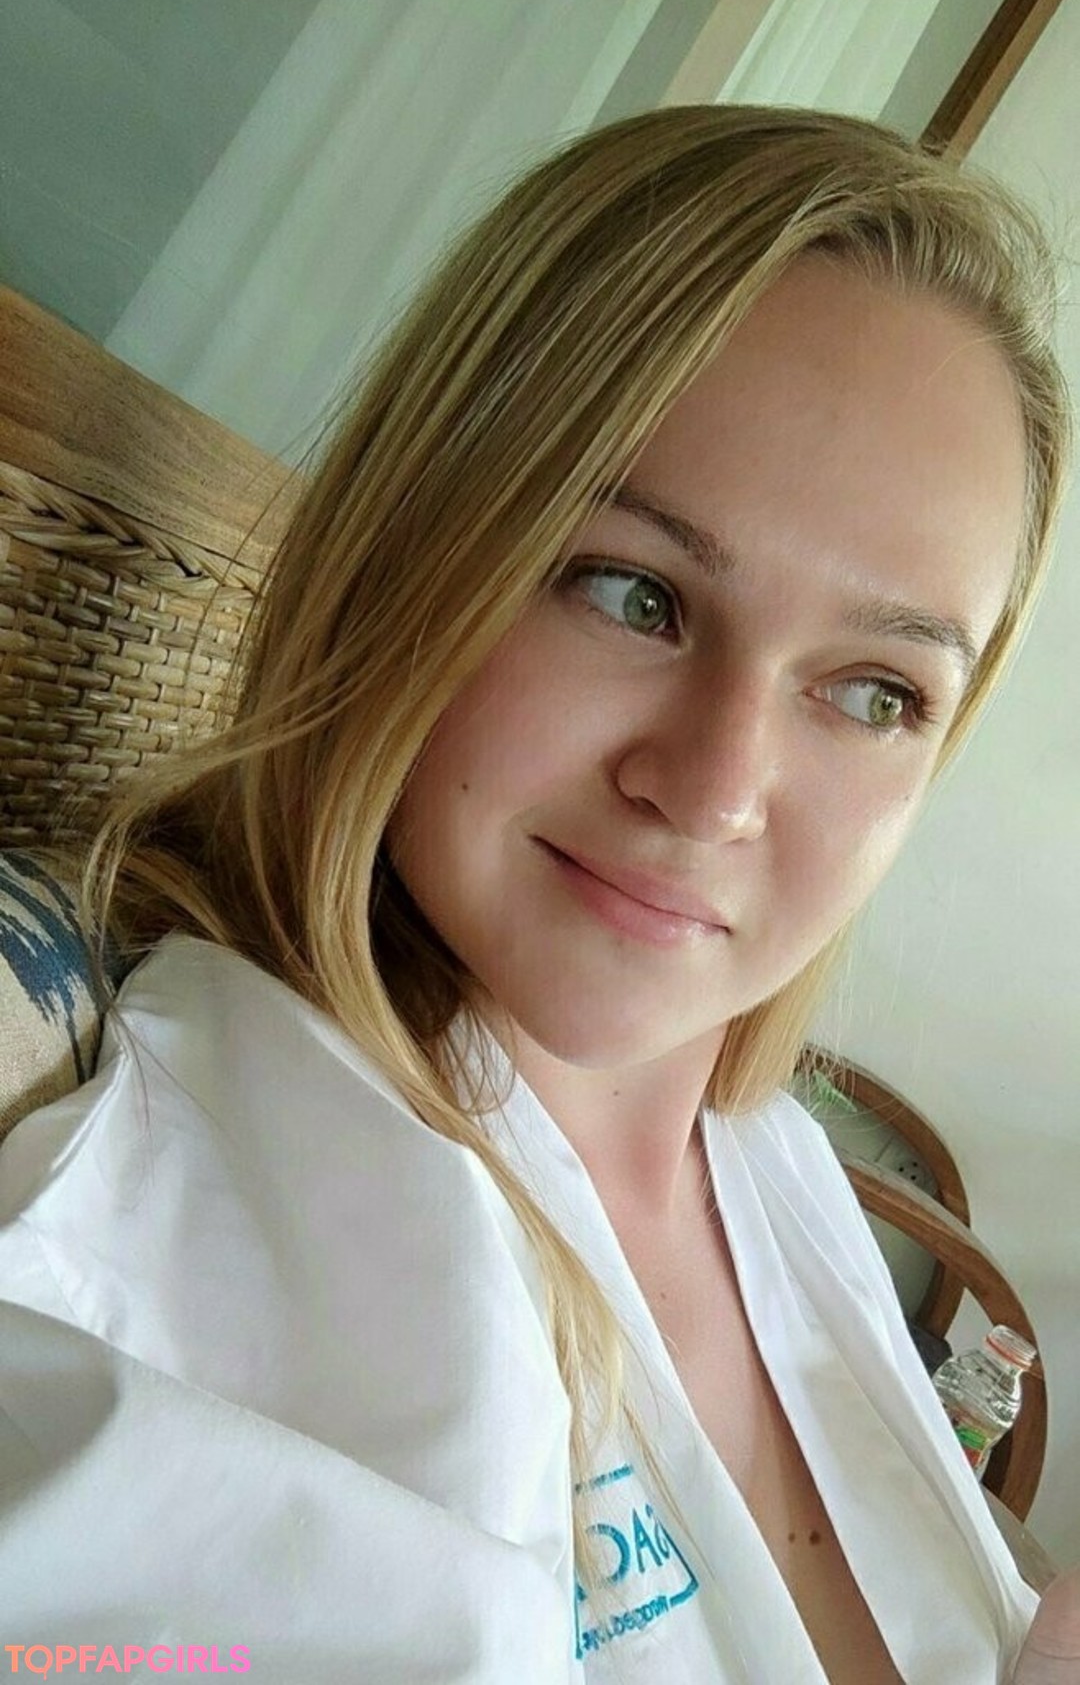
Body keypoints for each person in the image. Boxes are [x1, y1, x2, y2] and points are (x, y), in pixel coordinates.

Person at [0, 104, 1075, 1683]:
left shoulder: (772, 1160)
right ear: (417, 547)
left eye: (873, 693)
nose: (715, 791)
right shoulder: (209, 1219)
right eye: (632, 593)